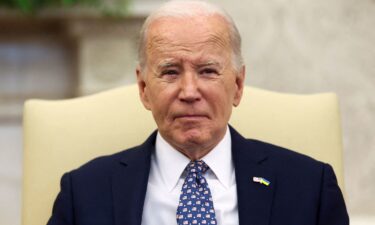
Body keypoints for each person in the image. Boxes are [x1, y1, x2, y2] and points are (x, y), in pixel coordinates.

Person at [47, 1, 349, 225]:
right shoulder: (84, 193)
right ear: (143, 89)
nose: (189, 92)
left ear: (239, 85)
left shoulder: (310, 188)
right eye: (170, 71)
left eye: (207, 71)